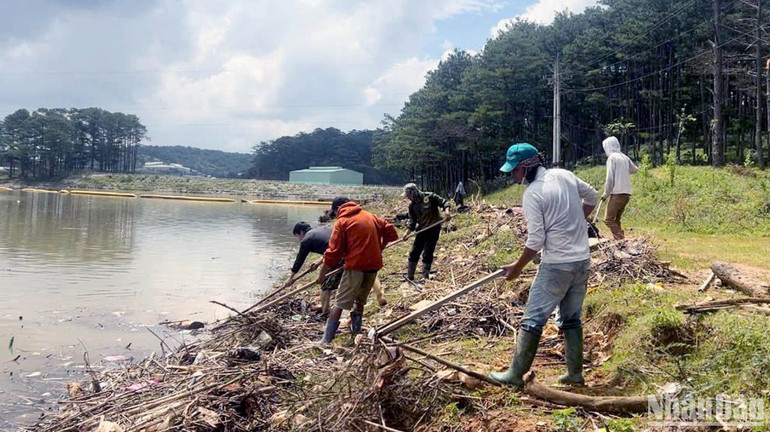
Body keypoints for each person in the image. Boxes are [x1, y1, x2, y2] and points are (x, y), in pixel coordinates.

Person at [490, 143, 598, 388]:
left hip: (557, 264)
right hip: (581, 260)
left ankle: (515, 375)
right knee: (571, 318)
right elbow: (592, 196)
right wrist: (577, 220)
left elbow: (536, 240)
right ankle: (575, 374)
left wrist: (517, 267)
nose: (513, 176)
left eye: (515, 170)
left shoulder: (533, 194)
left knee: (532, 319)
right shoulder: (564, 175)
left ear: (527, 166)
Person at [316, 197, 398, 346]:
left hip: (356, 266)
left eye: (335, 212)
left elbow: (333, 251)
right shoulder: (369, 215)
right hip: (373, 265)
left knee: (340, 303)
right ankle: (356, 333)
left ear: (338, 208)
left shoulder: (342, 222)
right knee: (360, 300)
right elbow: (391, 232)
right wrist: (380, 248)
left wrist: (322, 274)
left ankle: (326, 340)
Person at [283, 221, 338, 316]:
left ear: (301, 232)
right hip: (344, 251)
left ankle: (325, 312)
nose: (299, 240)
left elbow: (299, 260)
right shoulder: (322, 229)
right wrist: (317, 263)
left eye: (297, 236)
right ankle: (325, 306)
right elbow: (330, 248)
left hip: (339, 256)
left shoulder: (306, 239)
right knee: (328, 280)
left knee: (325, 284)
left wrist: (291, 278)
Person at [402, 183, 451, 280]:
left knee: (428, 252)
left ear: (413, 193)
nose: (408, 198)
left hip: (433, 228)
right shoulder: (412, 206)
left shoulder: (430, 197)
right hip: (422, 229)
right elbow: (412, 222)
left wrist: (447, 212)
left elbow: (444, 203)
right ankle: (410, 275)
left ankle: (425, 275)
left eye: (408, 195)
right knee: (414, 252)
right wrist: (406, 233)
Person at [601, 136, 638, 240]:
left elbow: (610, 179)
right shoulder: (624, 157)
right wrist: (623, 171)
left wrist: (605, 194)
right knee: (616, 220)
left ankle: (620, 239)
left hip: (617, 194)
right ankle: (620, 241)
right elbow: (635, 169)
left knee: (608, 219)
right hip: (626, 194)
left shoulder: (612, 158)